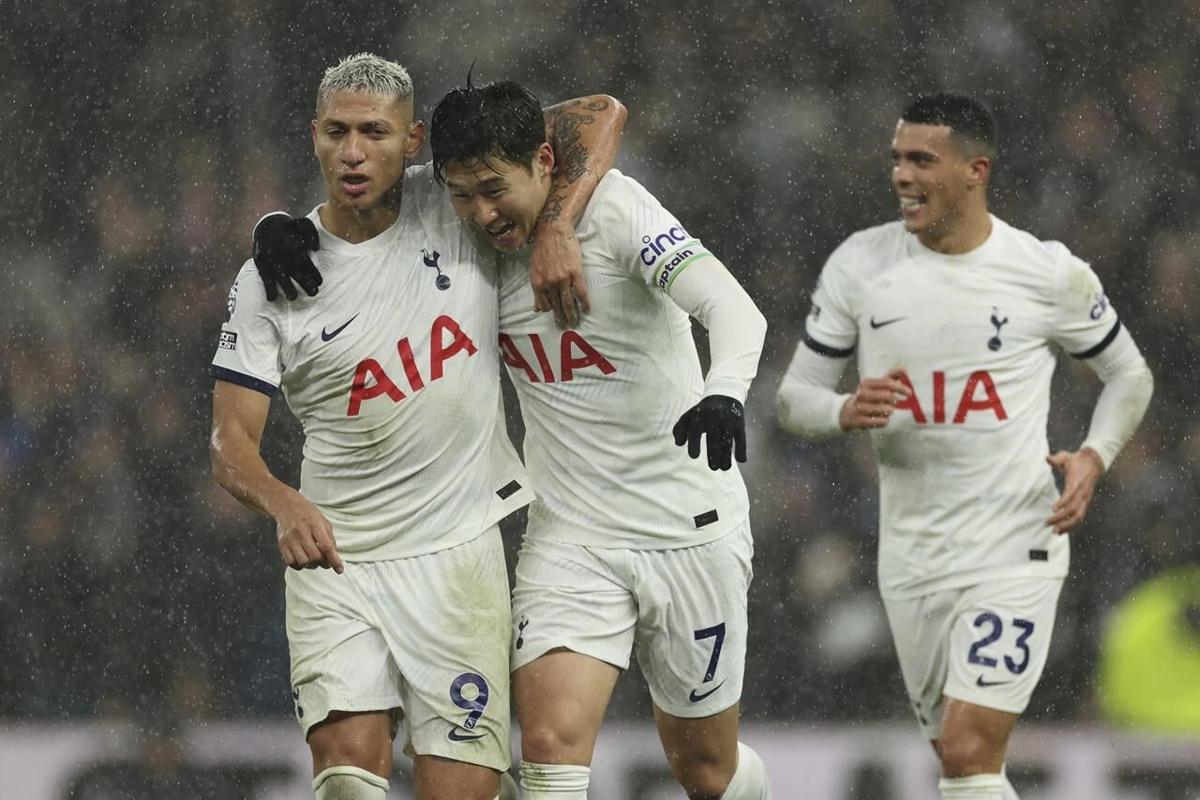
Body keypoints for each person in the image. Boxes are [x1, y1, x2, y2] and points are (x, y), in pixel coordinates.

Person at [209, 53, 623, 800]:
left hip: (457, 556)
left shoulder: (455, 199)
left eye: (374, 132)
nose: (353, 151)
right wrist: (284, 503)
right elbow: (228, 445)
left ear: (413, 141)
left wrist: (558, 222)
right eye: (337, 132)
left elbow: (601, 114)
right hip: (338, 560)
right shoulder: (273, 275)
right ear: (313, 136)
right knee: (347, 779)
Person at [776, 92, 1153, 800]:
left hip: (1015, 542)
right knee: (964, 768)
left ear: (976, 170)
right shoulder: (860, 265)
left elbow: (1129, 374)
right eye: (897, 158)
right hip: (911, 553)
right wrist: (842, 409)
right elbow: (795, 398)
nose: (902, 175)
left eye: (923, 160)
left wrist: (1095, 454)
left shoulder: (1046, 272)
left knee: (966, 747)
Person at [429, 79, 770, 800]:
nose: (482, 213)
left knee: (708, 772)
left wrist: (724, 391)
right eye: (462, 195)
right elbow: (361, 199)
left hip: (688, 527)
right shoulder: (459, 238)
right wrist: (277, 224)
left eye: (494, 190)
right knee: (548, 747)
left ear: (544, 162)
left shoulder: (616, 211)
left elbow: (733, 307)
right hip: (572, 535)